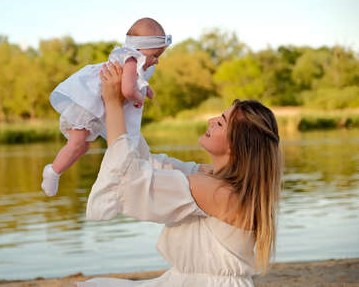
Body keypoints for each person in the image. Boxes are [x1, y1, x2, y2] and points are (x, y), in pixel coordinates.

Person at [76, 62, 283, 286]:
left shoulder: (216, 191)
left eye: (221, 122)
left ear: (235, 145)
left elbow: (128, 181)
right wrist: (125, 107)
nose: (211, 121)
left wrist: (113, 104)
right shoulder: (215, 179)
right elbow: (150, 165)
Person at [41, 18, 172, 196]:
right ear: (141, 49)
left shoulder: (133, 62)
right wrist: (138, 96)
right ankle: (52, 172)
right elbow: (127, 89)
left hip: (94, 105)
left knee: (83, 146)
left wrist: (146, 88)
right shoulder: (132, 60)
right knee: (77, 143)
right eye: (155, 56)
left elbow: (134, 81)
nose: (156, 61)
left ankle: (56, 171)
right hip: (86, 105)